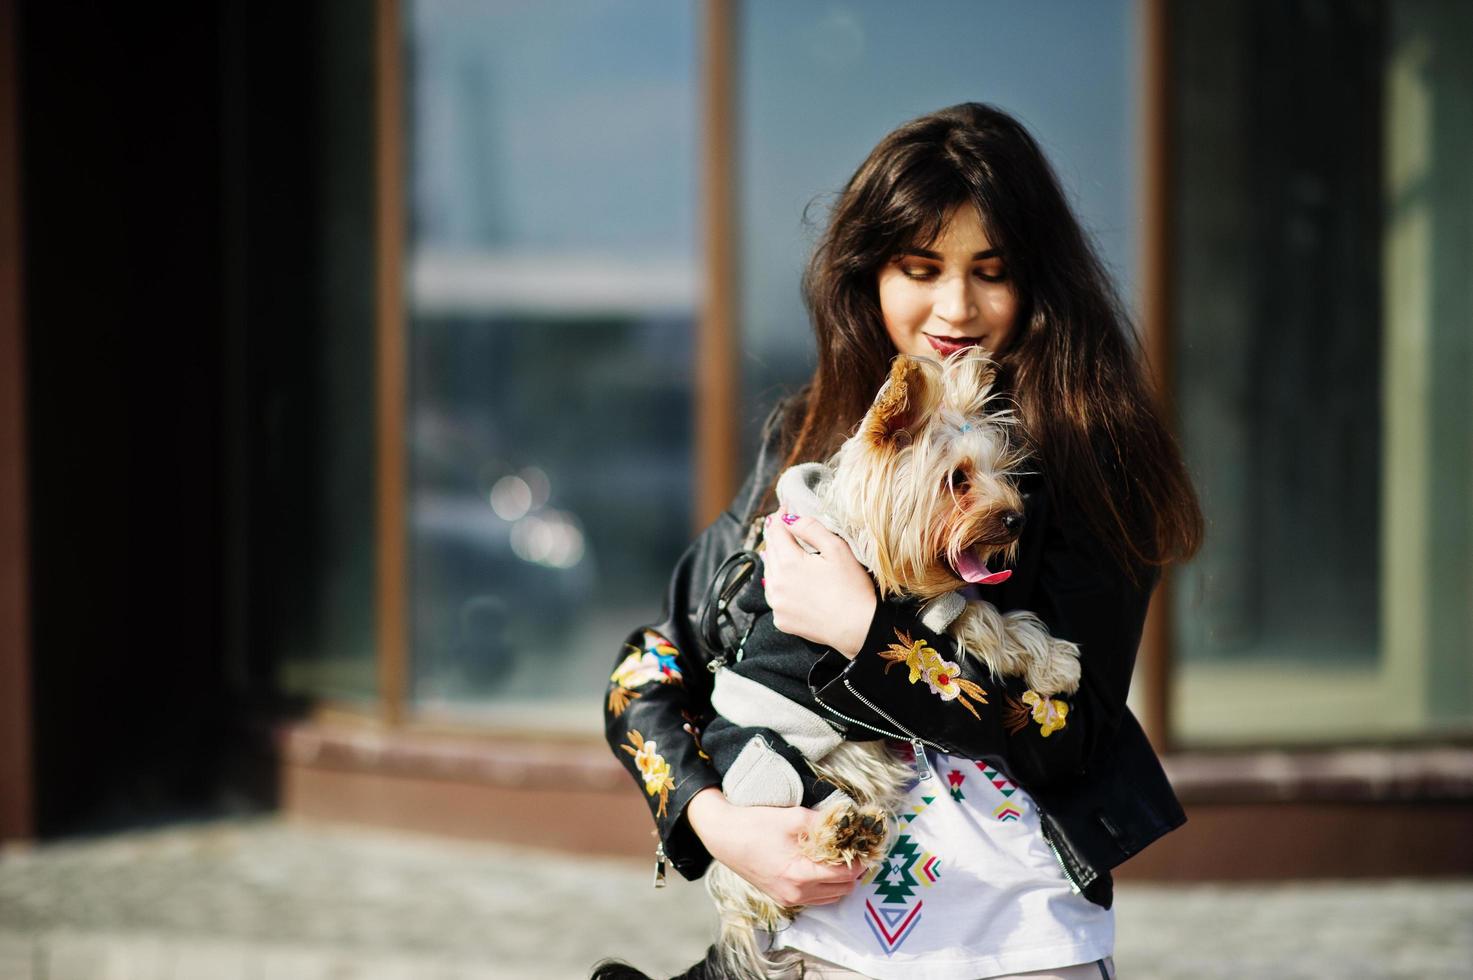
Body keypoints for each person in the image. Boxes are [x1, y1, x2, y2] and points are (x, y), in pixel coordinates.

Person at [601, 102, 1202, 980]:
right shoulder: (804, 449)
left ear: (1037, 281)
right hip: (806, 953)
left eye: (989, 272)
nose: (954, 306)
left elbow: (1065, 731)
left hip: (1019, 956)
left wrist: (863, 634)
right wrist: (717, 824)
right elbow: (648, 669)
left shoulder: (1087, 460)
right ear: (868, 275)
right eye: (920, 267)